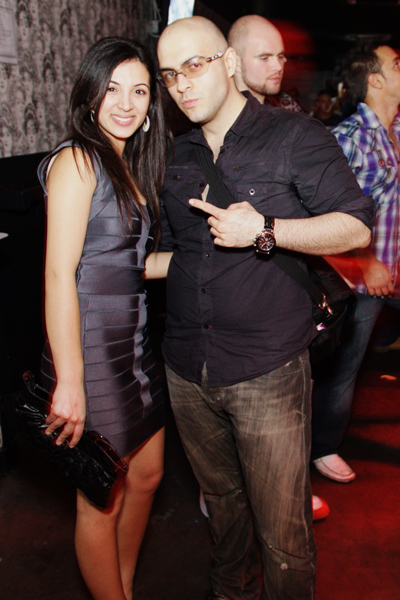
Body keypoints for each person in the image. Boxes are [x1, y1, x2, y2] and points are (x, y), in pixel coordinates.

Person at [157, 16, 374, 600]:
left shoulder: (293, 135)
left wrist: (266, 229)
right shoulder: (176, 154)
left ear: (228, 63)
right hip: (187, 367)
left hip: (267, 370)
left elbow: (355, 227)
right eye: (170, 74)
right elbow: (178, 252)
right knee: (223, 513)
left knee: (283, 536)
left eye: (194, 65)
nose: (182, 83)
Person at [38, 37, 171, 600]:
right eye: (112, 88)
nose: (125, 103)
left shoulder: (129, 164)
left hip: (134, 347)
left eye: (139, 91)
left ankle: (124, 587)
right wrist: (70, 381)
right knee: (101, 498)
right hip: (90, 353)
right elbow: (58, 274)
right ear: (90, 93)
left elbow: (131, 265)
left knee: (148, 475)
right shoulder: (78, 160)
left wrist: (206, 257)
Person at [228, 12, 328, 522]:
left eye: (282, 56)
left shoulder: (290, 116)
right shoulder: (212, 126)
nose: (278, 65)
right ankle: (230, 491)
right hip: (234, 293)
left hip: (286, 282)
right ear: (232, 61)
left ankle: (287, 483)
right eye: (264, 56)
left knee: (290, 399)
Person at [311, 40, 400, 483]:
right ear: (376, 80)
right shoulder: (349, 139)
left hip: (394, 268)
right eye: (397, 64)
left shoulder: (395, 129)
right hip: (362, 279)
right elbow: (323, 213)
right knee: (343, 369)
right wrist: (364, 263)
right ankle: (322, 447)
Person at [227, 14, 302, 111]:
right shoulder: (214, 115)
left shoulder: (286, 114)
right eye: (264, 58)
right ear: (235, 61)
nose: (279, 66)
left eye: (280, 56)